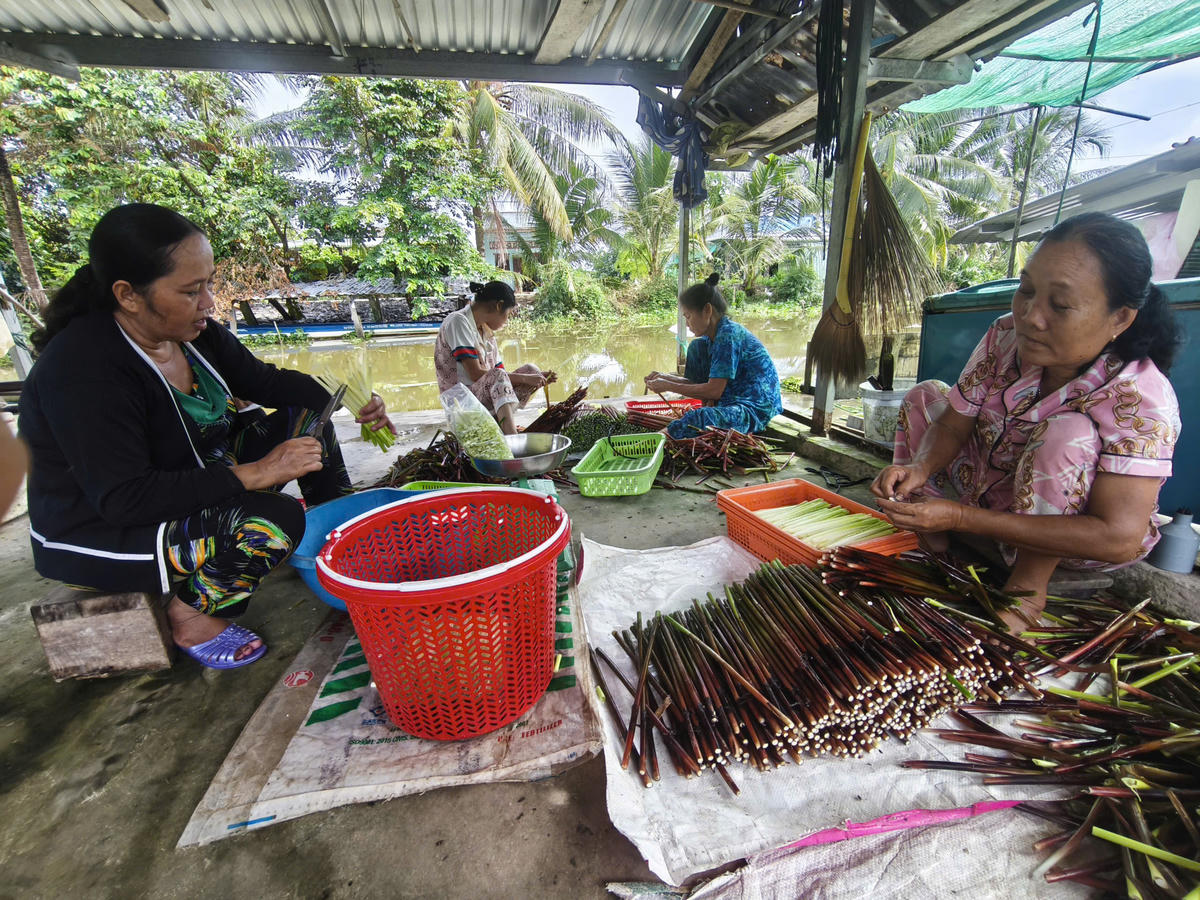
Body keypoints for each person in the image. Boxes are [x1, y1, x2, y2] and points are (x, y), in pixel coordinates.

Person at [20, 203, 395, 670]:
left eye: (209, 283)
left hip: (187, 479)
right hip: (105, 528)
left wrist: (350, 399)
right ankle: (192, 616)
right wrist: (258, 473)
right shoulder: (84, 370)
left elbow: (269, 382)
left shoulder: (194, 334)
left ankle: (325, 531)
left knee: (306, 415)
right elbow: (125, 498)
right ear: (129, 295)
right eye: (192, 290)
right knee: (270, 519)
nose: (209, 302)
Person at [871, 212, 1182, 632]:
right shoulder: (1004, 335)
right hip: (990, 493)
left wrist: (961, 518)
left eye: (1061, 304)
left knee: (1067, 433)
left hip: (1071, 537)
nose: (1031, 317)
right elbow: (953, 422)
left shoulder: (1138, 395)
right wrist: (919, 468)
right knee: (926, 395)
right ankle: (935, 549)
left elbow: (1118, 536)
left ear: (1120, 319)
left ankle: (1027, 591)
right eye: (1027, 290)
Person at [643, 273, 782, 440]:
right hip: (731, 398)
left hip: (753, 408)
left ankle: (652, 444)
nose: (687, 323)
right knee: (696, 346)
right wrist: (665, 379)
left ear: (707, 310)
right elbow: (701, 384)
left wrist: (668, 386)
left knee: (699, 418)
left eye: (688, 316)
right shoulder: (711, 340)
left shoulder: (727, 335)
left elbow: (714, 391)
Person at [434, 280, 556, 434]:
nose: (507, 320)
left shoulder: (486, 331)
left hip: (481, 395)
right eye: (509, 313)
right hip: (462, 403)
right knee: (501, 375)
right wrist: (524, 379)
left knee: (532, 370)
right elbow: (476, 373)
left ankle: (501, 424)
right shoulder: (458, 321)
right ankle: (511, 438)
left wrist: (534, 378)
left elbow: (502, 375)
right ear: (499, 306)